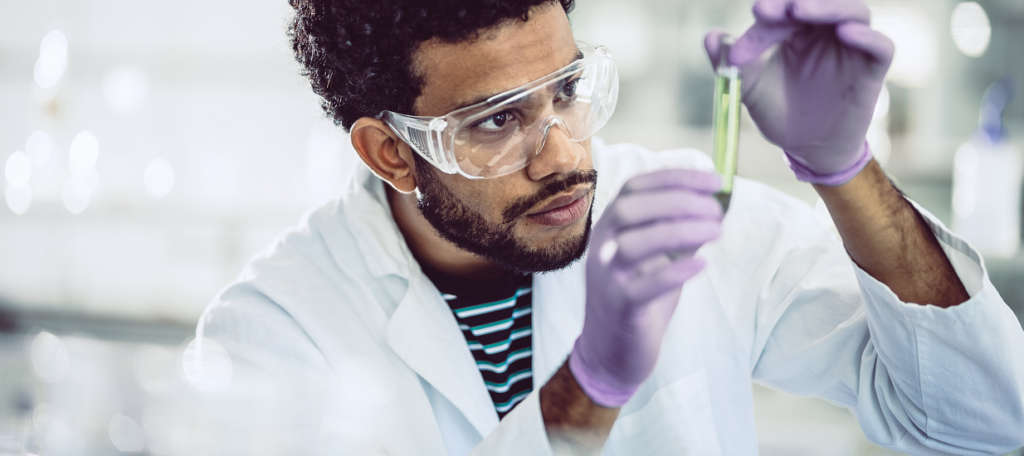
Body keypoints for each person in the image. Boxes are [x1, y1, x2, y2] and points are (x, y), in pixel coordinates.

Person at [193, 0, 1024, 454]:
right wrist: (591, 382)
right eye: (495, 122)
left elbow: (980, 422)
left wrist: (844, 170)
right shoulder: (273, 331)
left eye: (566, 91)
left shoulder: (678, 213)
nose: (561, 155)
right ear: (390, 154)